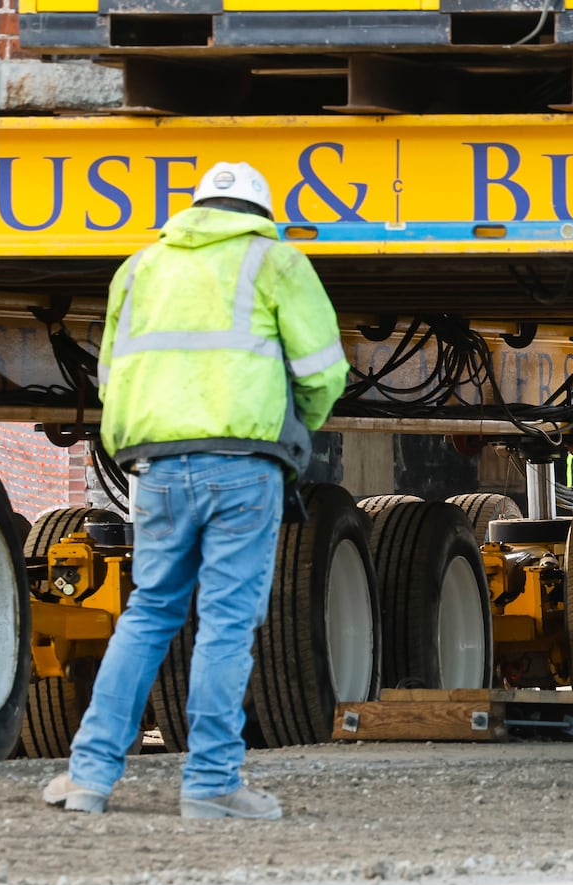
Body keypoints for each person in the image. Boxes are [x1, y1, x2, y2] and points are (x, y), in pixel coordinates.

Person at [43, 162, 348, 819]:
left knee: (149, 613)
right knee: (227, 623)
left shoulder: (141, 268)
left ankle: (90, 779)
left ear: (196, 208)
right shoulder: (276, 261)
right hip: (243, 468)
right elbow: (324, 372)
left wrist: (132, 450)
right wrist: (294, 433)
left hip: (156, 467)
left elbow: (113, 379)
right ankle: (210, 783)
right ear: (259, 213)